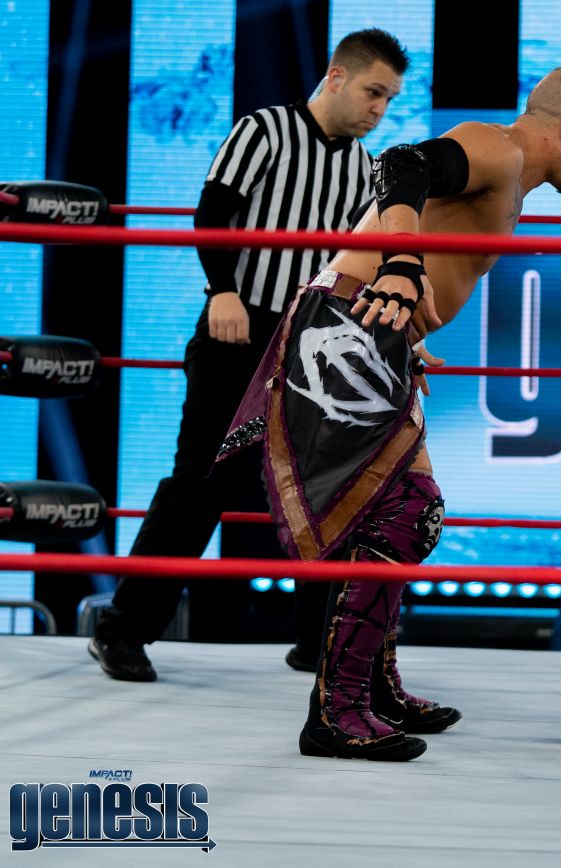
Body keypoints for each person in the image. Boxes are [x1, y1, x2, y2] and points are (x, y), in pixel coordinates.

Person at [216, 66, 561, 760]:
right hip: (347, 327)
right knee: (409, 510)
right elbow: (401, 164)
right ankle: (338, 710)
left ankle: (371, 688)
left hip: (372, 330)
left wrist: (404, 336)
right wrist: (402, 267)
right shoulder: (499, 149)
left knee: (397, 513)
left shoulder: (510, 174)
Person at [89, 29, 409, 682]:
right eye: (373, 92)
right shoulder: (263, 131)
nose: (379, 109)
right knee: (201, 481)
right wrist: (223, 291)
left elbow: (356, 263)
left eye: (389, 100)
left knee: (326, 486)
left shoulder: (362, 167)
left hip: (309, 340)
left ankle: (317, 642)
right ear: (337, 77)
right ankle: (122, 629)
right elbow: (212, 213)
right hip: (238, 327)